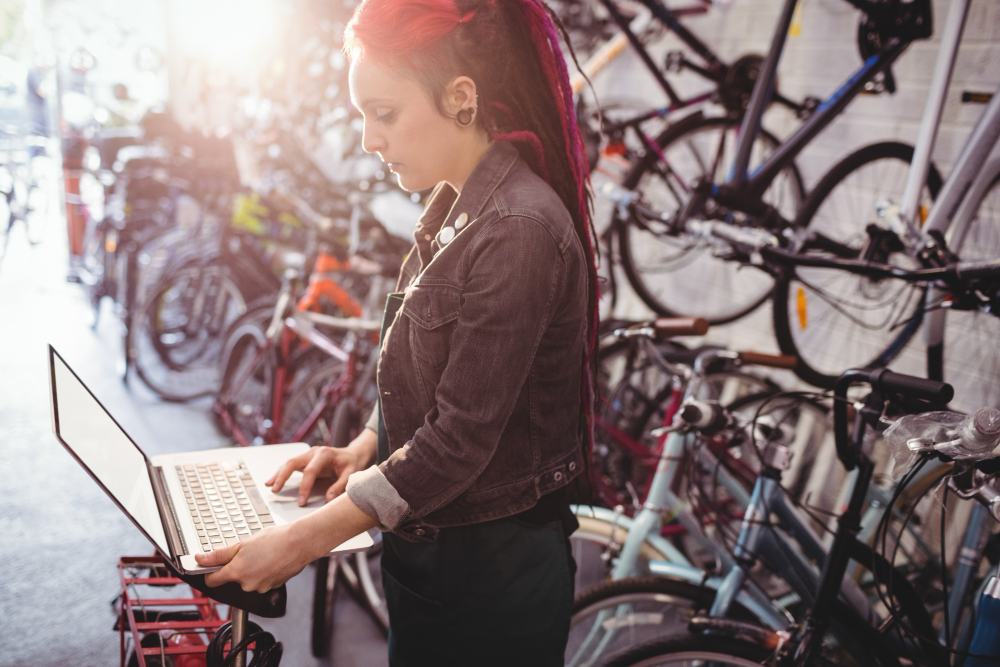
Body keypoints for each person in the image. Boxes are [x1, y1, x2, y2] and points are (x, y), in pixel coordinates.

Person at [196, 0, 598, 663]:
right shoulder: (452, 210)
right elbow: (430, 380)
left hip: (491, 578)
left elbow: (460, 436)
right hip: (437, 555)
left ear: (462, 99)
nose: (368, 141)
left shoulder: (518, 229)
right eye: (363, 116)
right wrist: (362, 448)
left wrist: (302, 540)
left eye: (382, 113)